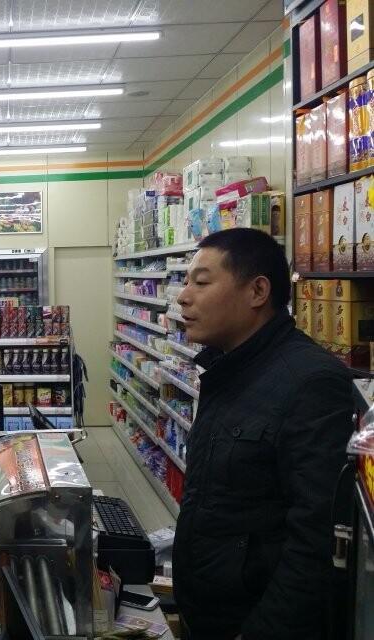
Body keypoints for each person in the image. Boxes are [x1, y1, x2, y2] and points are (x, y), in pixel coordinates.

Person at [172, 228, 355, 640]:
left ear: (257, 291)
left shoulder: (312, 384)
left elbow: (316, 543)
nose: (183, 297)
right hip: (209, 615)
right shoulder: (228, 368)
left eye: (201, 282)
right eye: (185, 282)